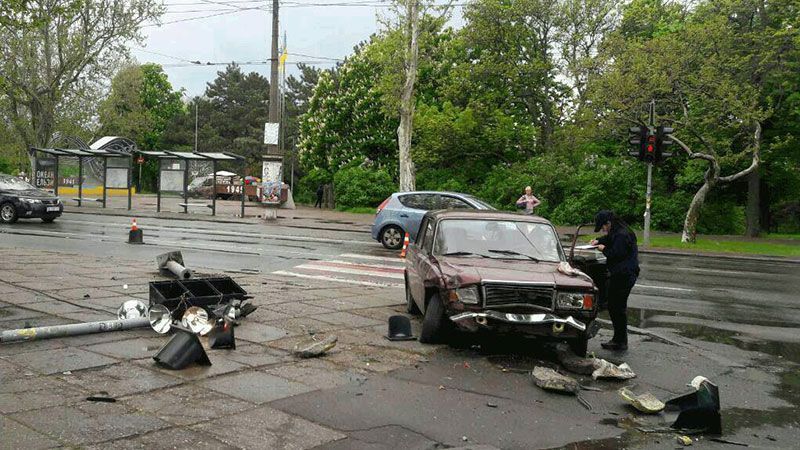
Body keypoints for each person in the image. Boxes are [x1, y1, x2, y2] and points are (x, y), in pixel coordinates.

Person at [590, 210, 639, 351]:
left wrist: (603, 248)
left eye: (603, 227)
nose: (603, 230)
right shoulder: (619, 231)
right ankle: (619, 339)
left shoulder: (622, 235)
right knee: (615, 306)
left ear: (608, 223)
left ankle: (620, 341)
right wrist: (598, 240)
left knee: (617, 307)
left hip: (624, 275)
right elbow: (610, 238)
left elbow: (615, 254)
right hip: (622, 274)